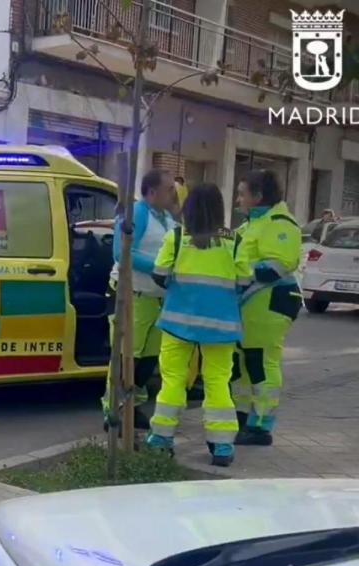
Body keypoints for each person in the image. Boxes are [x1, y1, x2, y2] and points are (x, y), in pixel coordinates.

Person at [147, 183, 251, 467]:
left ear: (189, 207)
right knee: (218, 382)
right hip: (221, 326)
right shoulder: (235, 241)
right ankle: (222, 446)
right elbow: (244, 280)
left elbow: (159, 274)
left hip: (177, 323)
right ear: (219, 208)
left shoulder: (176, 237)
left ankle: (161, 438)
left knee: (173, 379)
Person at [102, 169, 177, 431]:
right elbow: (122, 252)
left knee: (148, 358)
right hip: (132, 295)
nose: (174, 193)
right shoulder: (138, 214)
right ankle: (114, 410)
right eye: (169, 188)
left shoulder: (167, 217)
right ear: (152, 191)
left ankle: (133, 405)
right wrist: (159, 268)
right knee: (127, 357)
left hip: (157, 298)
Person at [231, 170, 303, 446]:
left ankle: (260, 426)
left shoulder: (280, 223)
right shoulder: (253, 223)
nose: (238, 200)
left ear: (258, 196)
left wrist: (238, 271)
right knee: (244, 362)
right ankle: (242, 417)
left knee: (261, 362)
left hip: (272, 302)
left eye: (242, 194)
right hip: (253, 305)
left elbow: (277, 266)